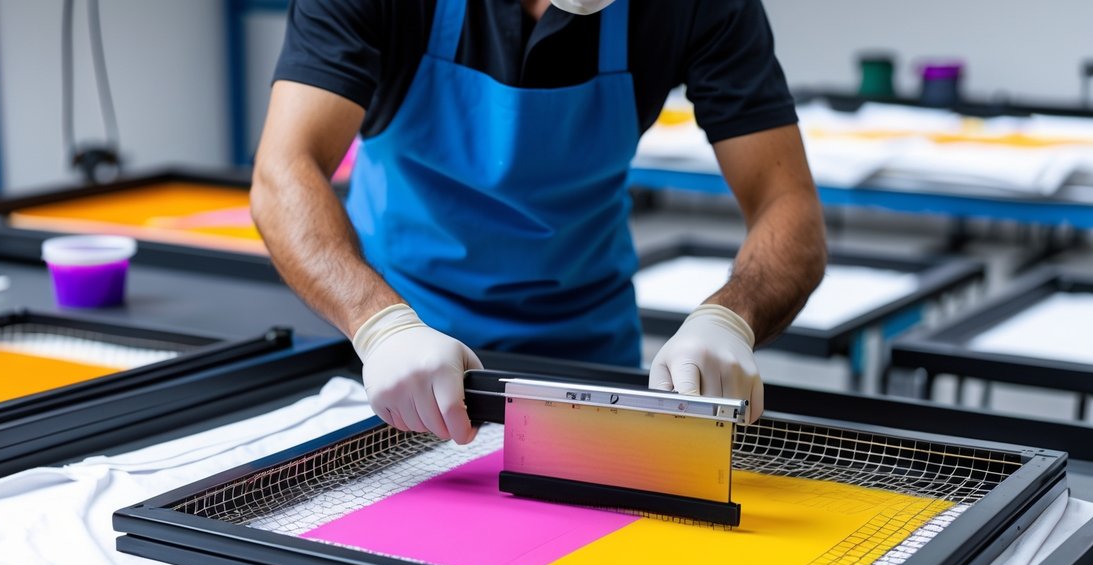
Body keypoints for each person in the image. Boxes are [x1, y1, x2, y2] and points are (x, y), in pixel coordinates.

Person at [251, 0, 826, 444]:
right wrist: (381, 329)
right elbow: (285, 172)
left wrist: (730, 320)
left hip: (586, 361)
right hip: (402, 354)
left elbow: (788, 202)